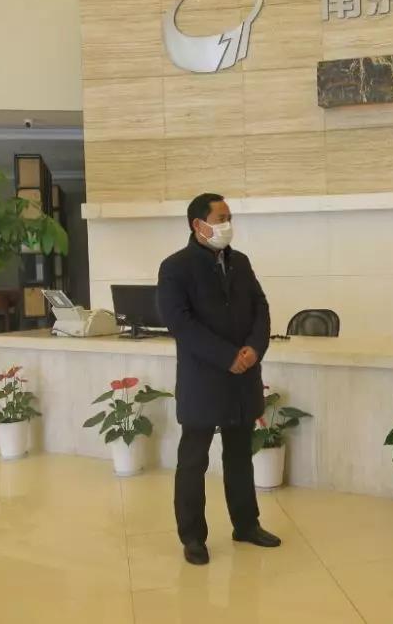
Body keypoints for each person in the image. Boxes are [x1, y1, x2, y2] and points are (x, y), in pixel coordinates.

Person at [157, 193, 280, 566]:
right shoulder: (175, 267)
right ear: (198, 225)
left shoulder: (240, 261)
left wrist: (254, 349)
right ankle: (193, 537)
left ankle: (246, 525)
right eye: (221, 218)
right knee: (193, 461)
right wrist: (228, 357)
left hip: (243, 379)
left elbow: (261, 307)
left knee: (240, 455)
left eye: (229, 218)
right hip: (203, 380)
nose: (228, 225)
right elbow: (180, 324)